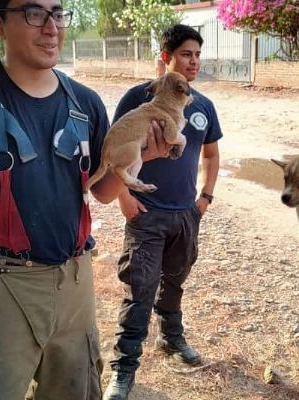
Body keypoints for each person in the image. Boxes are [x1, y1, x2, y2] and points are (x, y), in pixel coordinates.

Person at [0, 1, 170, 399]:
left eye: (58, 13)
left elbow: (103, 192)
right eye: (33, 13)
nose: (51, 28)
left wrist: (143, 155)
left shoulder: (86, 102)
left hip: (75, 283)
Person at [103, 24, 223, 400]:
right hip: (147, 212)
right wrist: (125, 200)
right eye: (186, 54)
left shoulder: (200, 105)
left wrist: (204, 199)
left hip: (186, 214)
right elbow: (114, 150)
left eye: (198, 55)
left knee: (175, 280)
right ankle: (123, 370)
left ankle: (171, 337)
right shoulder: (139, 99)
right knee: (140, 288)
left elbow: (212, 154)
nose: (194, 62)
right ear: (166, 57)